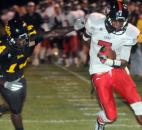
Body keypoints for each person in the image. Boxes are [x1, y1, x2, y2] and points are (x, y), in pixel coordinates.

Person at [76, 1, 142, 130]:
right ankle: (100, 121)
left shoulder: (130, 32)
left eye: (121, 22)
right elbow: (84, 39)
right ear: (108, 17)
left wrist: (108, 60)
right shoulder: (94, 22)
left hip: (118, 70)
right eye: (115, 21)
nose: (118, 25)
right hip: (99, 71)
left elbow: (123, 62)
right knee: (111, 116)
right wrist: (92, 46)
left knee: (138, 105)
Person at [0, 17, 40, 130]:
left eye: (24, 36)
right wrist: (5, 83)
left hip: (20, 78)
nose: (24, 40)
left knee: (14, 104)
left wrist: (75, 27)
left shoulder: (29, 40)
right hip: (5, 80)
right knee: (16, 110)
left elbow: (51, 33)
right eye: (20, 38)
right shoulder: (3, 49)